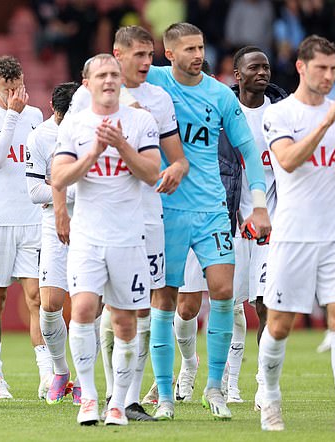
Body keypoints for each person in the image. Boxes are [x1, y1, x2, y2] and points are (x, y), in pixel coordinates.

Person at [145, 23, 271, 421]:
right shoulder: (153, 82)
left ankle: (215, 388)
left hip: (212, 208)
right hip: (166, 210)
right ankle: (165, 394)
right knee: (165, 300)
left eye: (200, 46)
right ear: (169, 54)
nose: (198, 54)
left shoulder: (218, 94)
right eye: (189, 49)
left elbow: (248, 148)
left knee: (222, 291)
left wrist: (258, 203)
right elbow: (102, 82)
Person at [71, 25, 189, 422]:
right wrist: (58, 209)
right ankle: (100, 394)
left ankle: (129, 398)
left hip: (146, 217)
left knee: (139, 309)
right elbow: (65, 152)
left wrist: (177, 168)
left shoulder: (158, 99)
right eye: (138, 55)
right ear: (116, 57)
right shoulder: (82, 101)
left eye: (149, 54)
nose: (147, 62)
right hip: (97, 218)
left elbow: (176, 159)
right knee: (93, 306)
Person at [169, 47, 286, 407]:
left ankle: (249, 384)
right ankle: (189, 365)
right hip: (224, 219)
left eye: (266, 66)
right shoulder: (219, 113)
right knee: (193, 307)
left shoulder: (281, 115)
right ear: (237, 75)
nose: (263, 72)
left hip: (270, 224)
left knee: (264, 305)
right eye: (255, 67)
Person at [52, 53, 161, 426]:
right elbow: (60, 178)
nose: (109, 80)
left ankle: (118, 402)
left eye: (114, 74)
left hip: (130, 237)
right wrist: (95, 152)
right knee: (82, 310)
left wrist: (121, 146)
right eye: (101, 75)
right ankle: (89, 397)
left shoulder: (141, 121)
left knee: (126, 324)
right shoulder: (75, 126)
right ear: (87, 83)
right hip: (87, 235)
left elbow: (151, 174)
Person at [258, 35, 335, 432]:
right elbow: (290, 160)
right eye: (321, 68)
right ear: (301, 67)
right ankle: (271, 399)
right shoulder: (280, 115)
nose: (328, 76)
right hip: (293, 233)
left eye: (333, 69)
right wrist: (324, 125)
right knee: (279, 324)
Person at [0, 56, 47, 399]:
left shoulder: (36, 116)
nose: (16, 93)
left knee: (38, 299)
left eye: (19, 86)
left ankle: (49, 375)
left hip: (32, 218)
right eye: (8, 88)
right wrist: (12, 115)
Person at [25, 81, 79, 404]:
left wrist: (57, 186)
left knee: (90, 309)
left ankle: (85, 381)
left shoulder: (91, 130)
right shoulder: (40, 137)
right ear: (56, 113)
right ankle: (60, 371)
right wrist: (69, 190)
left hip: (89, 224)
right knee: (50, 305)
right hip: (52, 226)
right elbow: (35, 193)